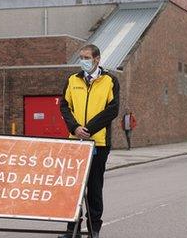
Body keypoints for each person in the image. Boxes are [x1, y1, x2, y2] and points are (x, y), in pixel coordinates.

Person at [59, 44, 120, 238]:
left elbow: (112, 110)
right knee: (73, 187)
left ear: (97, 59)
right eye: (81, 57)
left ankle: (94, 229)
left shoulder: (110, 81)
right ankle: (73, 228)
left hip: (99, 144)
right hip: (75, 142)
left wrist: (89, 129)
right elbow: (64, 106)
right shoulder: (72, 80)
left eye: (86, 57)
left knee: (94, 187)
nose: (83, 60)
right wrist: (75, 128)